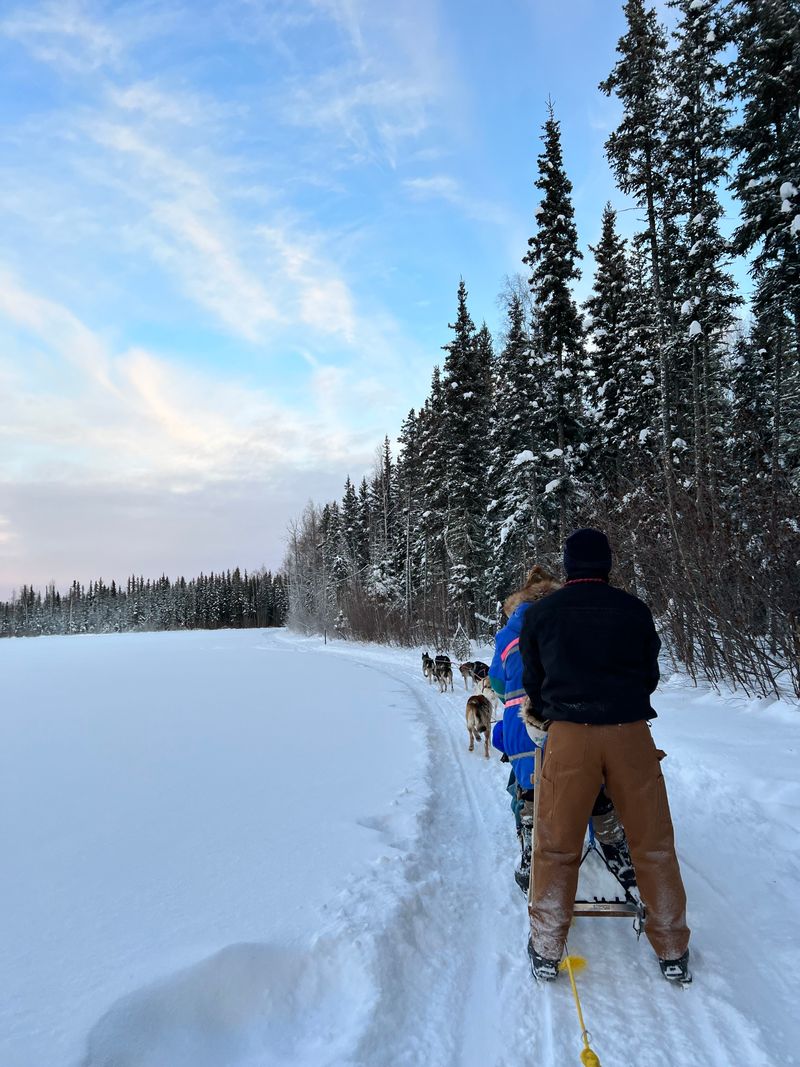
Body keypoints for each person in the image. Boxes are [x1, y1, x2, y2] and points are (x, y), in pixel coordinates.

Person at [520, 528, 691, 984]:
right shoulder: (634, 610)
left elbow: (532, 682)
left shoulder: (542, 614)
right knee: (653, 845)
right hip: (630, 734)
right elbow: (648, 674)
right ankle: (672, 947)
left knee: (556, 845)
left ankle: (547, 946)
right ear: (607, 564)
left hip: (569, 737)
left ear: (570, 565)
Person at [489, 565, 635, 896]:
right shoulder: (573, 621)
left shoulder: (508, 633)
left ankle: (530, 844)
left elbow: (497, 683)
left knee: (526, 779)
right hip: (576, 723)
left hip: (522, 728)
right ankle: (613, 843)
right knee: (593, 778)